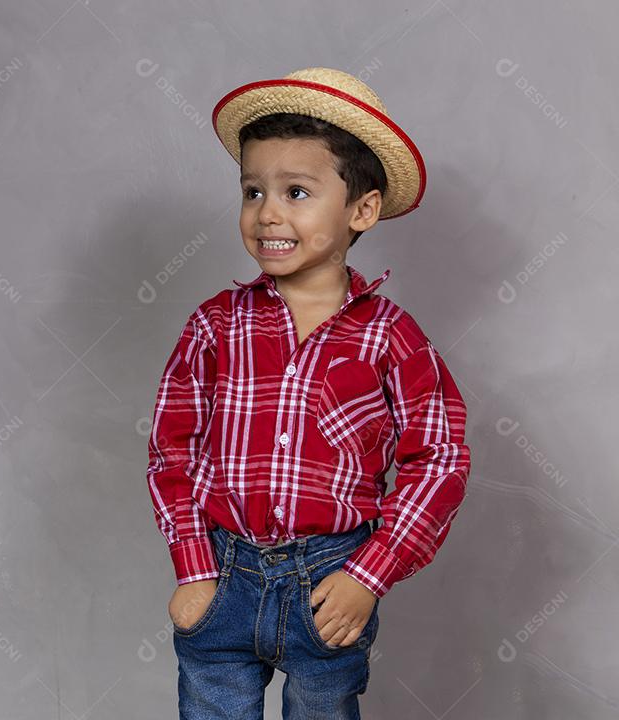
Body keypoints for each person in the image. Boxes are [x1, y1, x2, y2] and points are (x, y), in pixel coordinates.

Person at [145, 67, 472, 719]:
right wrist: (193, 566)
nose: (267, 211)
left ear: (362, 209)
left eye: (296, 191)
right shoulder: (216, 324)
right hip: (222, 567)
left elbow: (438, 458)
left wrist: (368, 574)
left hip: (332, 579)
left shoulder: (391, 337)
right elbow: (170, 450)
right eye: (253, 191)